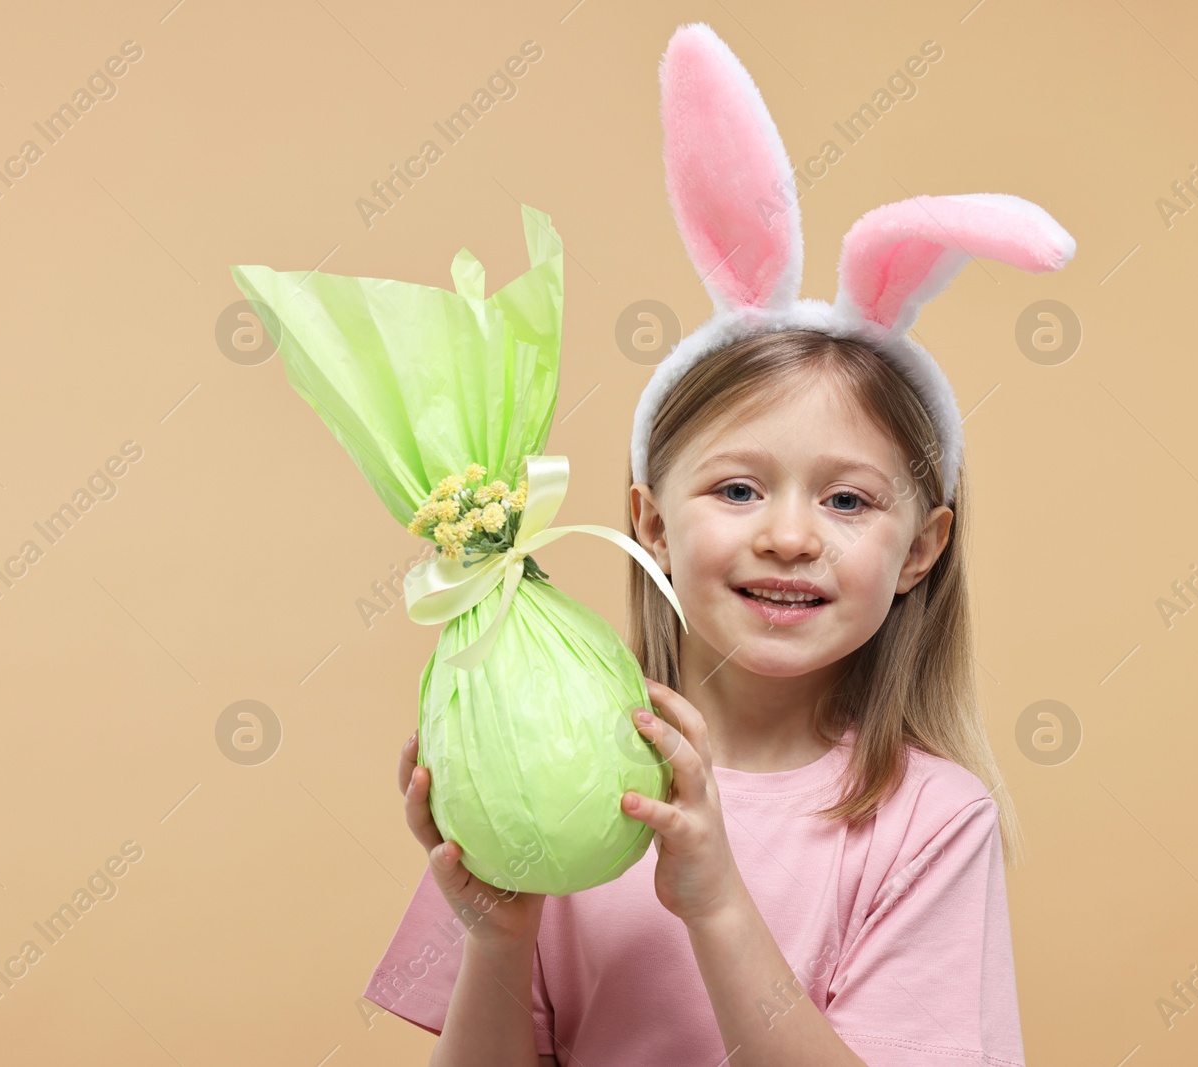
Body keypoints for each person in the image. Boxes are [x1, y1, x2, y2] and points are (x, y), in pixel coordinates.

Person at [361, 21, 1072, 1066]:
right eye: (737, 487)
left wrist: (716, 900)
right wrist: (497, 934)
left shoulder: (928, 821)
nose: (788, 536)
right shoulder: (566, 761)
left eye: (847, 502)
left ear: (921, 549)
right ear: (649, 519)